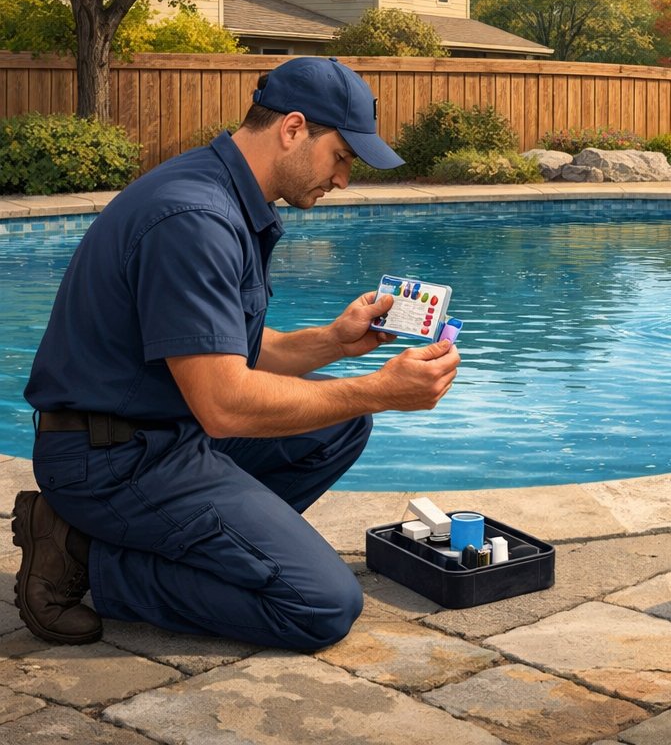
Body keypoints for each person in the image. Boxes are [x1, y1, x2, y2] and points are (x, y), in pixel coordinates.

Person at [13, 55, 461, 650]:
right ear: (293, 129)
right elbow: (224, 403)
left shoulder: (221, 191)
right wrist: (381, 389)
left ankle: (208, 546)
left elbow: (225, 352)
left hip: (163, 434)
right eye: (342, 157)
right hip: (112, 460)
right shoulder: (194, 218)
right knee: (321, 605)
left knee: (340, 424)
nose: (343, 180)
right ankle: (86, 555)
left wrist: (333, 341)